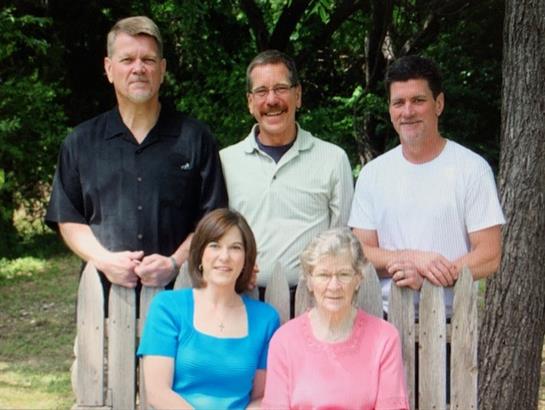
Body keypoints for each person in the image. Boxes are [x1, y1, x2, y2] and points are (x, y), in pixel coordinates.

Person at [45, 16, 227, 294]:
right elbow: (68, 217)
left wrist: (174, 262)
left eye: (149, 60)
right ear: (108, 68)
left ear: (162, 69)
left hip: (182, 298)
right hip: (104, 300)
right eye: (127, 59)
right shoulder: (80, 142)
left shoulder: (196, 138)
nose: (139, 69)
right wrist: (103, 260)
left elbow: (211, 218)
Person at [349, 55, 505, 313]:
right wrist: (413, 260)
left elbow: (489, 255)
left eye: (418, 100)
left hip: (450, 320)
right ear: (390, 110)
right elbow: (361, 251)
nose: (407, 111)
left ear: (439, 104)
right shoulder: (373, 174)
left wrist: (430, 279)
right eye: (399, 102)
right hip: (383, 317)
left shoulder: (471, 169)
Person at [220, 49, 354, 296]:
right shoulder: (226, 161)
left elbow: (341, 238)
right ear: (250, 102)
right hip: (242, 300)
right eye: (261, 91)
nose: (271, 100)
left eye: (281, 88)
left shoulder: (333, 159)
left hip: (311, 301)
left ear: (298, 95)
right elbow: (218, 237)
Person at [138, 208, 280, 409]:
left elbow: (261, 398)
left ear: (246, 259)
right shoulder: (168, 308)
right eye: (215, 245)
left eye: (235, 247)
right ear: (200, 254)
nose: (225, 256)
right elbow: (158, 393)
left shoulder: (265, 319)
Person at [262, 228, 409, 409]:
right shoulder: (284, 341)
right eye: (324, 275)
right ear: (309, 280)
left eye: (344, 274)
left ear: (358, 279)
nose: (334, 286)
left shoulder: (384, 338)